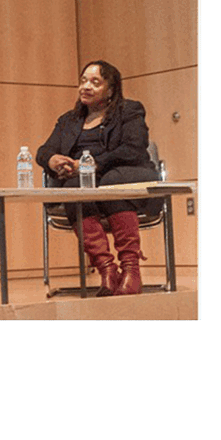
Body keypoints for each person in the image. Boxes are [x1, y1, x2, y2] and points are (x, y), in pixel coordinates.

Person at [36, 60, 161, 296]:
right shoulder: (68, 120)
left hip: (129, 175)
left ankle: (131, 269)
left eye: (95, 82)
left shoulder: (130, 111)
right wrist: (52, 160)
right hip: (87, 182)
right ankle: (106, 268)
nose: (86, 86)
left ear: (111, 89)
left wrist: (89, 163)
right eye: (83, 81)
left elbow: (133, 149)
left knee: (112, 183)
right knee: (73, 188)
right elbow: (43, 151)